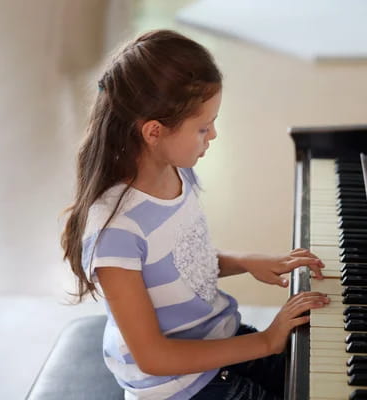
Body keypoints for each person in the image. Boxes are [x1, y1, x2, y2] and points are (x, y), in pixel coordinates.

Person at [61, 29, 330, 400]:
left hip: (215, 339)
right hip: (177, 384)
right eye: (203, 127)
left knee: (316, 378)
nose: (214, 134)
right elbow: (153, 356)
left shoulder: (176, 170)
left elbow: (180, 263)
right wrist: (267, 340)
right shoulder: (116, 231)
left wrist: (246, 261)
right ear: (154, 131)